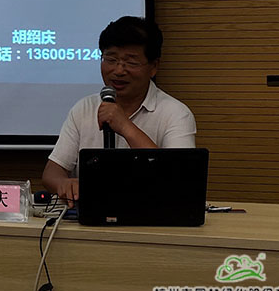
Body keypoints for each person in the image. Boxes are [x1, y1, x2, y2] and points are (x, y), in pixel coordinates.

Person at [42, 16, 196, 206]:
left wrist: (125, 126)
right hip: (91, 216)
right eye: (111, 59)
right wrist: (64, 183)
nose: (119, 70)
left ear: (154, 67)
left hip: (153, 216)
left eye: (131, 62)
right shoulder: (84, 108)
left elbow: (179, 180)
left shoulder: (176, 113)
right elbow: (52, 172)